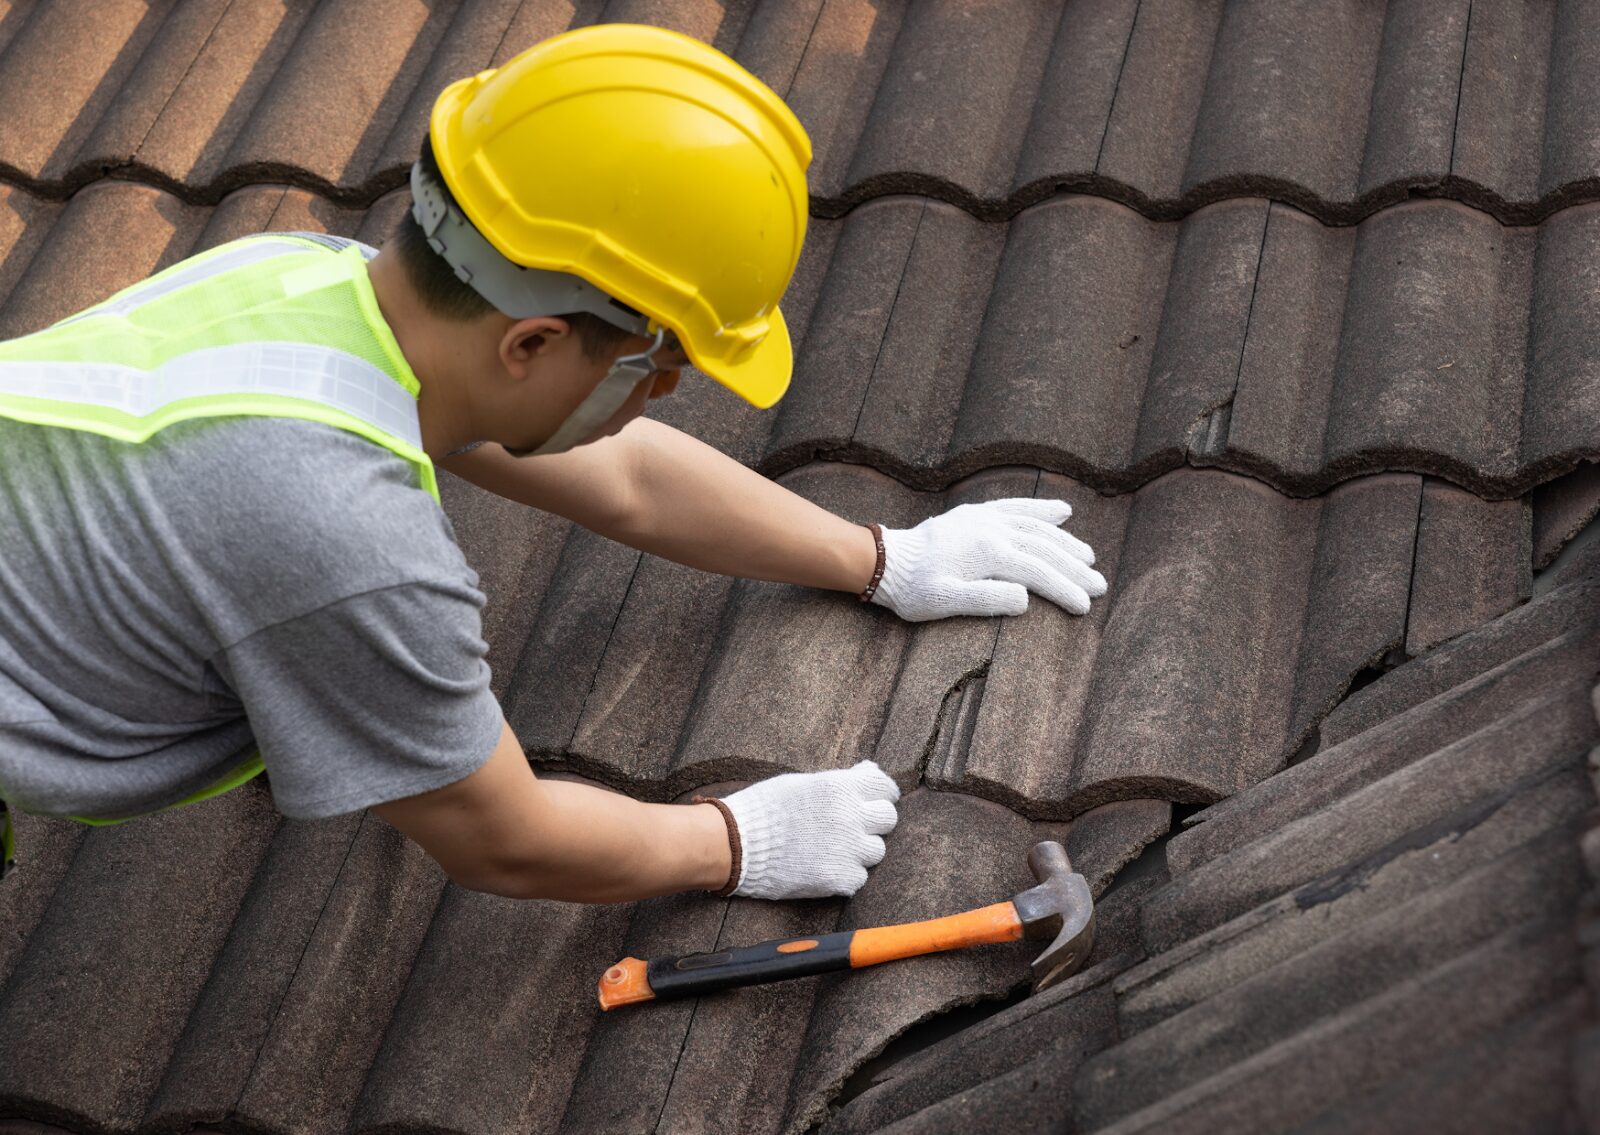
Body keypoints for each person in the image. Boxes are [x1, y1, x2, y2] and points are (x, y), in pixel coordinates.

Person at [0, 25, 1105, 905]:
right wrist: (730, 838)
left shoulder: (308, 279)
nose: (666, 393)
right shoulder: (342, 538)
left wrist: (880, 557)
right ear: (529, 343)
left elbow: (625, 477)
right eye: (658, 364)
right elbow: (506, 840)